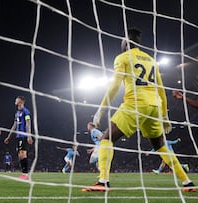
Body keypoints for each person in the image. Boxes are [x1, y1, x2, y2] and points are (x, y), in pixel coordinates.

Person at [82, 28, 196, 192]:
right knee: (160, 146)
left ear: (126, 42)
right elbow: (161, 90)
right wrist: (164, 116)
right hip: (155, 106)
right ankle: (187, 183)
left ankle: (103, 182)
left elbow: (114, 85)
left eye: (122, 40)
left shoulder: (123, 57)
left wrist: (102, 108)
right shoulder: (151, 60)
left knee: (106, 138)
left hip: (135, 103)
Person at [4, 96, 33, 180]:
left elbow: (28, 123)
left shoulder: (26, 112)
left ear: (21, 101)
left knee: (23, 153)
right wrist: (9, 136)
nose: (15, 101)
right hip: (18, 136)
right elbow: (14, 125)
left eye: (16, 99)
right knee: (20, 155)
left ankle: (25, 174)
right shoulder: (17, 113)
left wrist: (29, 135)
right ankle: (24, 172)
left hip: (24, 135)